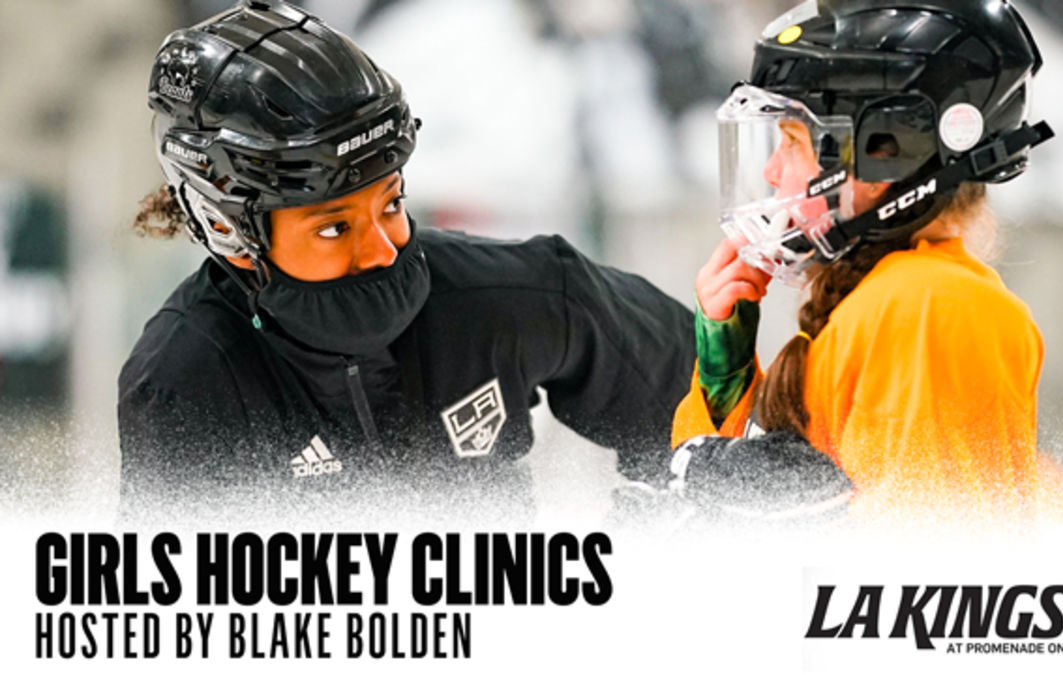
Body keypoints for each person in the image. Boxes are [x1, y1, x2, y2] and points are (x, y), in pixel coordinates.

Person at [120, 0, 693, 523]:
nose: (383, 248)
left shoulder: (509, 295)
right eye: (334, 227)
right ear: (228, 227)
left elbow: (700, 397)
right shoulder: (186, 381)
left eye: (392, 203)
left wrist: (690, 512)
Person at [670, 0, 1063, 525]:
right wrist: (724, 376)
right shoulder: (879, 306)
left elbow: (931, 579)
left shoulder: (931, 308)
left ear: (887, 151)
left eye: (792, 143)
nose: (772, 170)